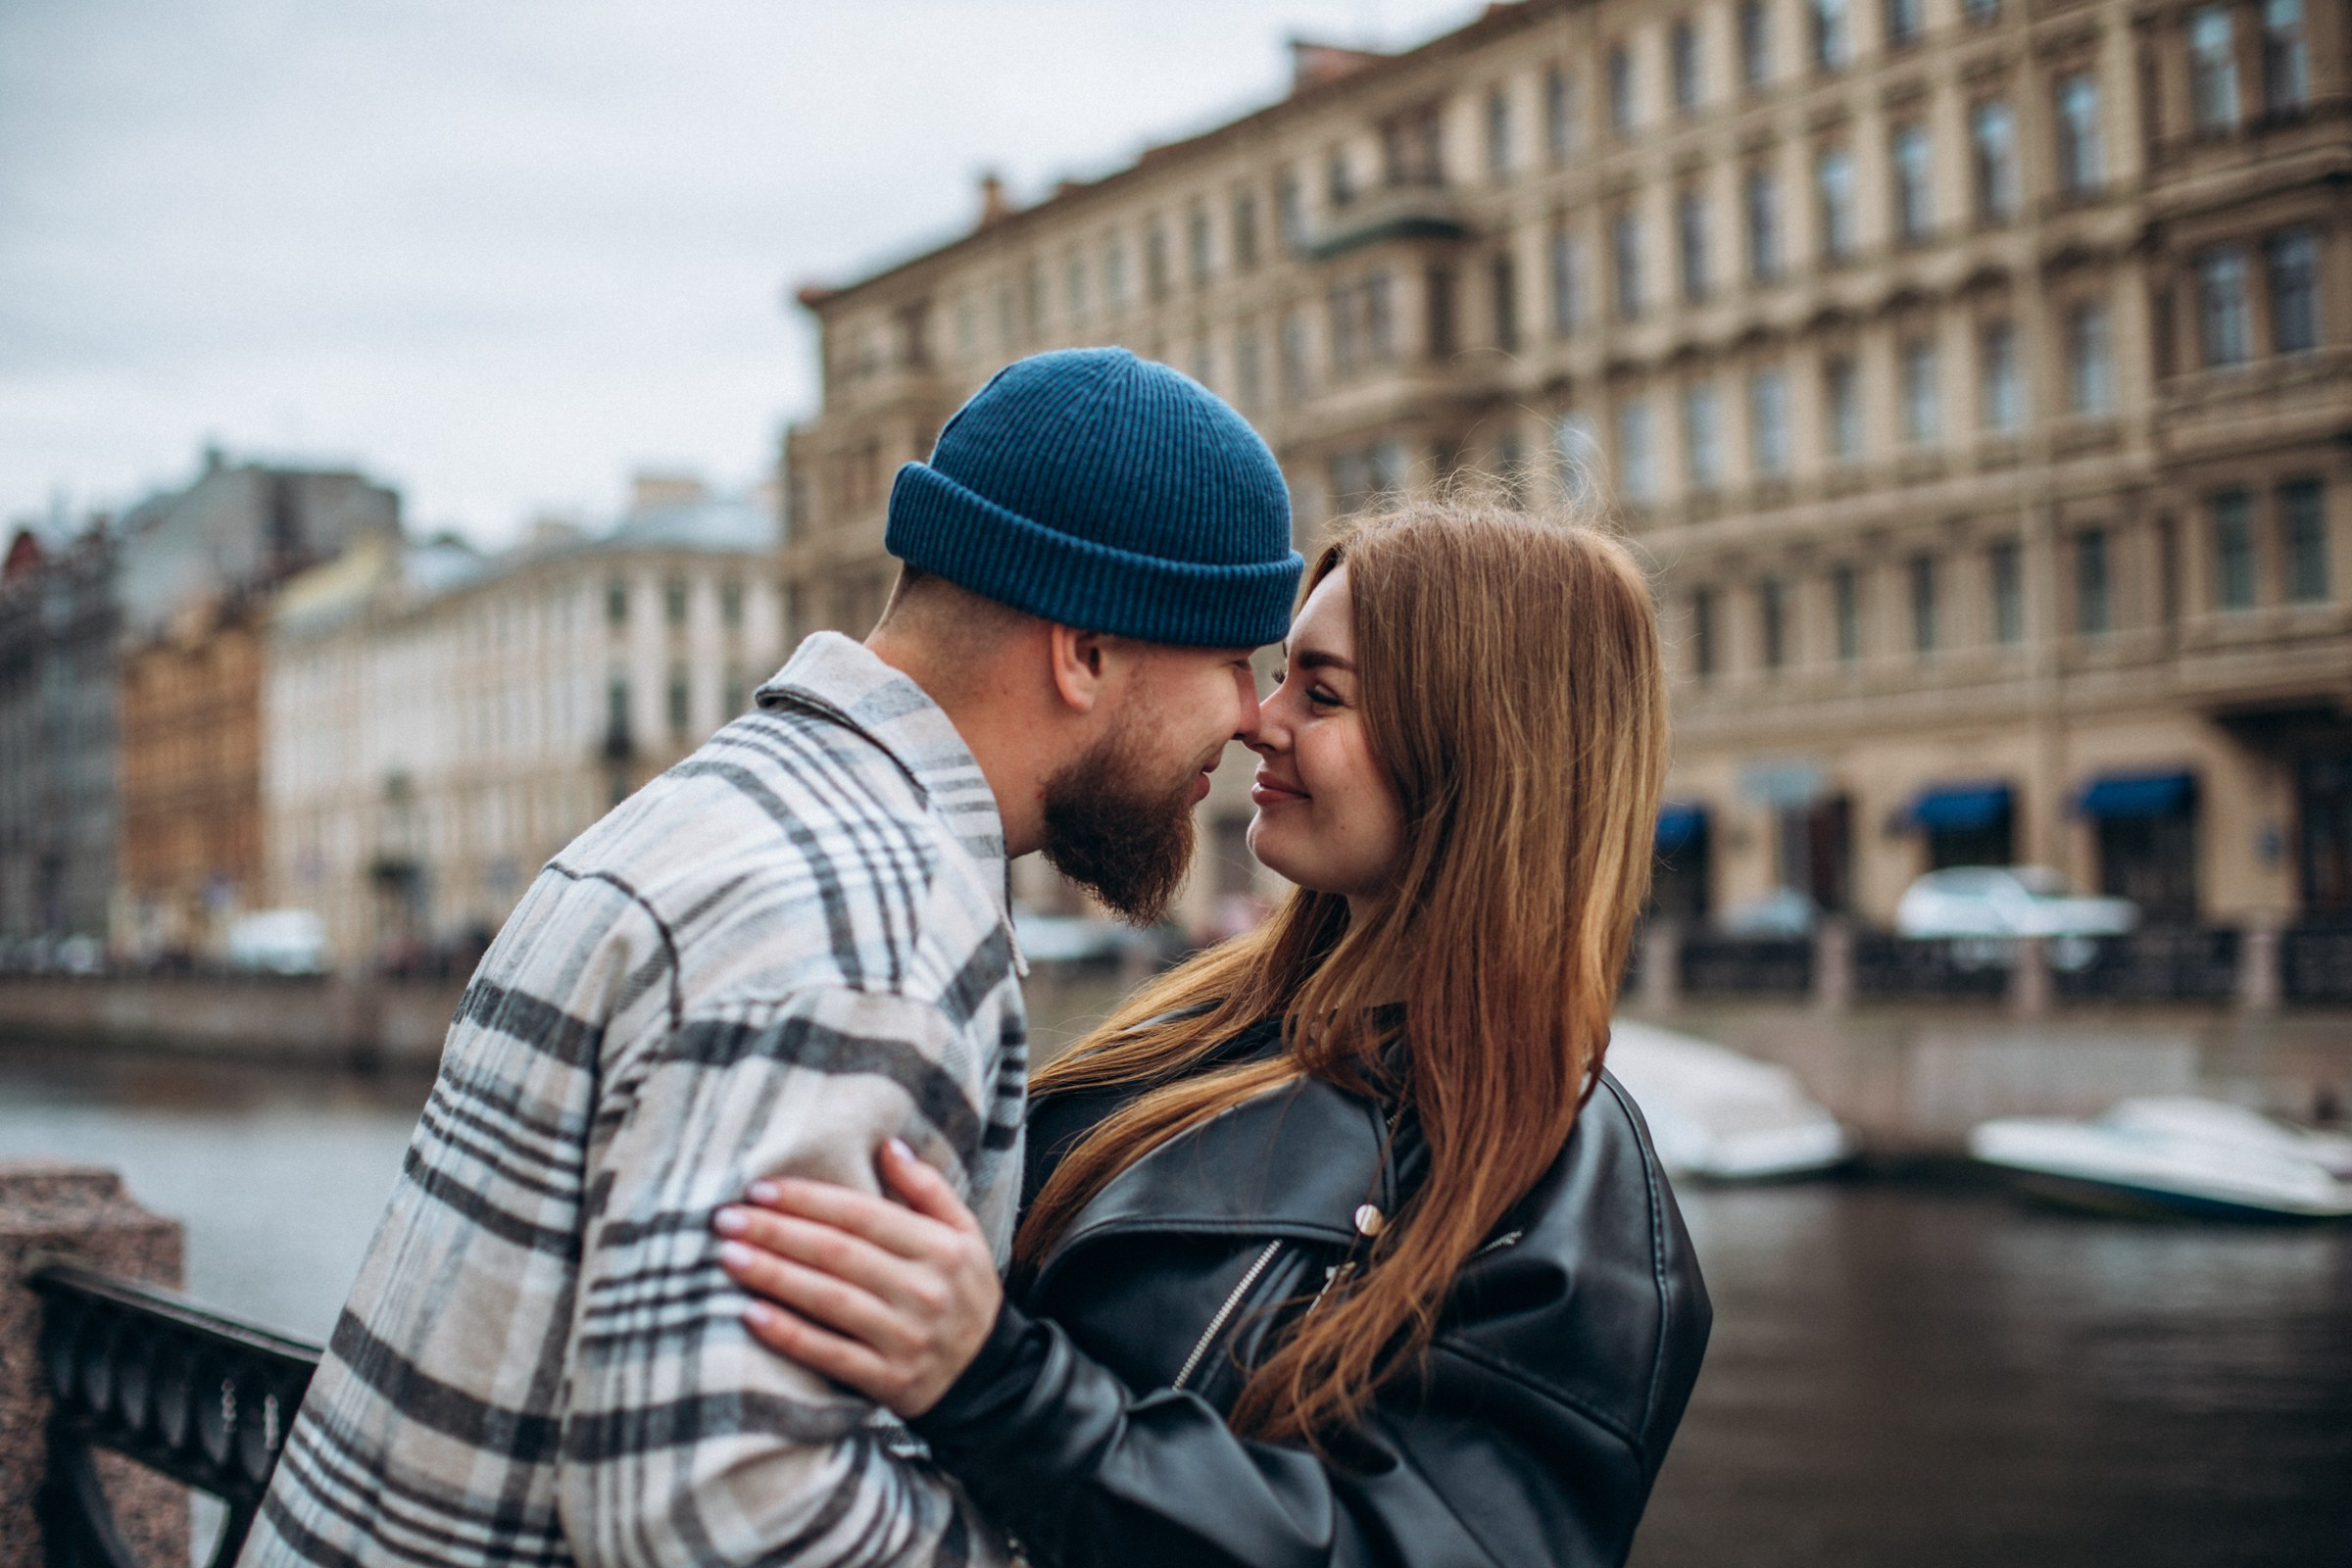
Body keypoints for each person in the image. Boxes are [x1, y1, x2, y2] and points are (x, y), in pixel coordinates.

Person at [241, 347, 1301, 1568]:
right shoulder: (872, 921)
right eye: (1233, 656)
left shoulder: (697, 814)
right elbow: (714, 1506)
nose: (1255, 713)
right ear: (1086, 651)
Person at [714, 499, 1713, 1567]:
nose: (1258, 718)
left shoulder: (1567, 1186)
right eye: (1283, 674)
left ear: (1474, 746)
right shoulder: (1204, 1023)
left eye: (1320, 693)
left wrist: (999, 1385)